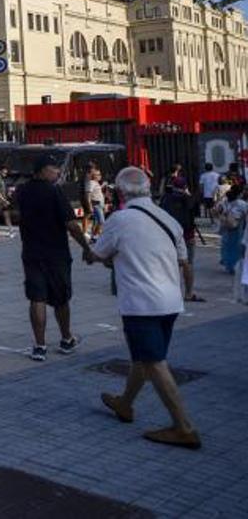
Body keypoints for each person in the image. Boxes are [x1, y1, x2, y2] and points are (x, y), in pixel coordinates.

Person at [91, 166, 201, 449]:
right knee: (143, 355)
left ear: (120, 192)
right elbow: (181, 260)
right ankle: (125, 403)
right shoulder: (169, 220)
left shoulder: (120, 219)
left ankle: (183, 426)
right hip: (170, 300)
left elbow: (98, 255)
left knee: (153, 362)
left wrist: (100, 256)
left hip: (141, 303)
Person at [15, 153, 93, 362]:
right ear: (42, 170)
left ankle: (39, 346)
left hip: (31, 252)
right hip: (56, 253)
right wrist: (86, 246)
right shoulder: (54, 192)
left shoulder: (23, 191)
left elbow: (19, 215)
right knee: (61, 298)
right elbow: (71, 224)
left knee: (37, 298)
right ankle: (66, 339)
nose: (58, 172)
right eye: (54, 168)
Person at [159, 175, 201, 300]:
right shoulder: (188, 198)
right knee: (188, 263)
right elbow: (195, 215)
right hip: (187, 234)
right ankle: (188, 293)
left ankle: (171, 291)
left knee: (171, 264)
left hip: (169, 234)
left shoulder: (166, 198)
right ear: (185, 186)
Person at [213, 185, 247, 275]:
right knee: (236, 247)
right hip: (238, 228)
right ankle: (234, 266)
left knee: (226, 246)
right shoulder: (242, 204)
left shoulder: (224, 202)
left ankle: (228, 265)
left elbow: (216, 211)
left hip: (226, 227)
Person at [84, 165, 106, 237]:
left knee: (96, 222)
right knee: (101, 222)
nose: (100, 176)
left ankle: (94, 237)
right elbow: (88, 195)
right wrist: (89, 206)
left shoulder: (96, 183)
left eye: (100, 174)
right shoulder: (91, 182)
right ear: (94, 176)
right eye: (98, 175)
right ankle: (94, 236)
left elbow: (97, 191)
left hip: (100, 204)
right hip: (96, 205)